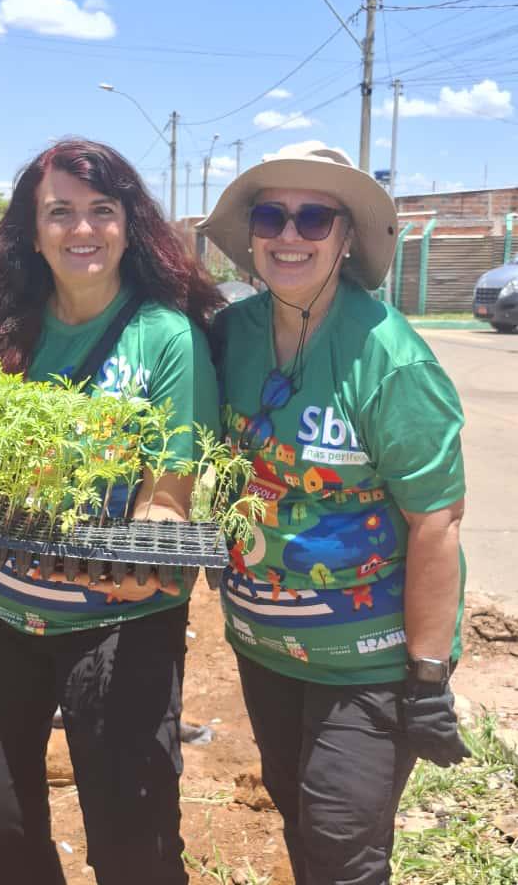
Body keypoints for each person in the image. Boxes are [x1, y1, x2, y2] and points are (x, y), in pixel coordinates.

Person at [0, 138, 223, 885]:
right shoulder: (1, 326)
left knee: (134, 846)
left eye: (102, 209)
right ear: (32, 232)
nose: (82, 228)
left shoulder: (165, 338)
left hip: (117, 629)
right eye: (59, 212)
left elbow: (168, 502)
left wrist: (143, 563)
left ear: (130, 224)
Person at [199, 142, 469, 885]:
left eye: (314, 217)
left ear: (347, 238)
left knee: (343, 846)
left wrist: (426, 676)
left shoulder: (391, 361)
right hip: (264, 648)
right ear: (252, 233)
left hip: (370, 659)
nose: (291, 235)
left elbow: (437, 523)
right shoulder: (233, 336)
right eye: (272, 215)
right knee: (297, 814)